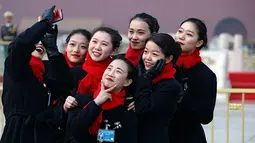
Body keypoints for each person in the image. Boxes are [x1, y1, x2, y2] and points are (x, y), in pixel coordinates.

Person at [0, 6, 72, 143]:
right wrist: (44, 23)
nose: (40, 43)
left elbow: (66, 84)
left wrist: (53, 51)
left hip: (42, 135)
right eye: (36, 40)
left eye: (42, 41)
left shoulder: (43, 73)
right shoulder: (14, 66)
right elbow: (22, 45)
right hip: (18, 135)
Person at [66, 56, 137, 143]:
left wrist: (101, 135)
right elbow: (72, 130)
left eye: (118, 71)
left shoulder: (128, 110)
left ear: (127, 82)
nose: (110, 74)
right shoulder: (80, 100)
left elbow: (125, 138)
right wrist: (96, 103)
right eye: (109, 68)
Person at [168, 18, 217, 143]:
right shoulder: (163, 66)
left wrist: (181, 97)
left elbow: (205, 116)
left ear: (199, 42)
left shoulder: (205, 75)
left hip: (187, 137)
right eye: (180, 31)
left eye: (189, 34)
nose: (181, 37)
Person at [135, 33, 182, 143]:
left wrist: (146, 78)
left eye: (155, 54)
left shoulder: (170, 86)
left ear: (168, 58)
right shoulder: (139, 75)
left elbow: (143, 109)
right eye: (145, 52)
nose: (147, 58)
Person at [63, 27, 122, 112]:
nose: (97, 47)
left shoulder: (115, 75)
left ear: (114, 50)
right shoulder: (74, 72)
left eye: (104, 44)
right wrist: (65, 107)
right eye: (94, 41)